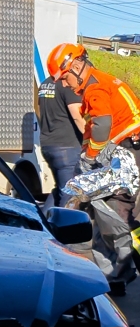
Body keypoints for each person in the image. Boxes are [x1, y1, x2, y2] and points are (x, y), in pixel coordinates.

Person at [51, 42, 140, 292]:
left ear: (77, 65)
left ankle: (120, 272)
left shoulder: (95, 88)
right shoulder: (99, 82)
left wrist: (90, 156)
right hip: (127, 147)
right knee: (105, 209)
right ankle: (113, 273)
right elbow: (96, 128)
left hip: (126, 149)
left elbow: (102, 125)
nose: (65, 84)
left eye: (65, 77)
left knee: (112, 210)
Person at [37, 54, 83, 205]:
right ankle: (63, 227)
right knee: (69, 194)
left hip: (48, 145)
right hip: (67, 147)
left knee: (60, 190)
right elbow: (77, 115)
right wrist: (89, 136)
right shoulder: (67, 84)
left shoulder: (44, 84)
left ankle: (43, 224)